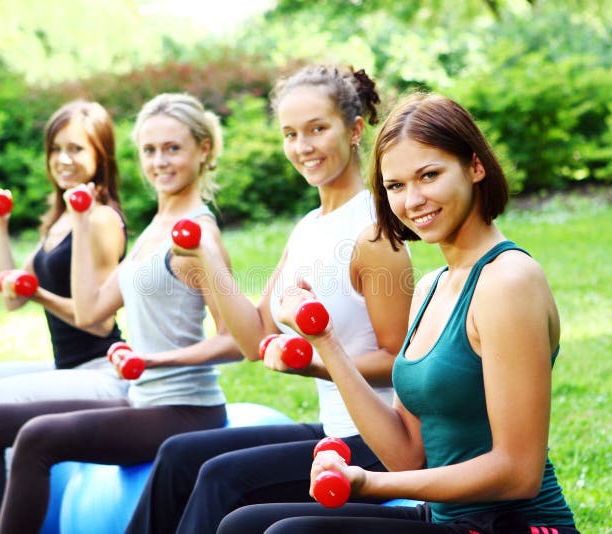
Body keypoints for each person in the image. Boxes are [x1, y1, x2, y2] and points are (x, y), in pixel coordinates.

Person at [218, 92, 580, 533]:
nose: (413, 201)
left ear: (475, 167)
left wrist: (370, 485)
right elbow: (406, 453)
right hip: (450, 520)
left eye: (429, 175)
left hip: (513, 523)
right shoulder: (432, 287)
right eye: (395, 186)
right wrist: (325, 342)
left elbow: (517, 473)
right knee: (243, 524)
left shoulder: (508, 281)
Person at [125, 65, 415, 534]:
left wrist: (319, 365)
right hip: (332, 429)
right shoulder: (308, 228)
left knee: (221, 478)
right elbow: (254, 337)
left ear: (355, 130)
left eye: (318, 129)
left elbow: (400, 360)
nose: (303, 147)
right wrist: (206, 260)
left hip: (375, 441)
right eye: (290, 134)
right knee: (180, 455)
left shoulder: (373, 232)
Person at [0, 93, 242, 534]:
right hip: (142, 398)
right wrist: (82, 222)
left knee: (36, 438)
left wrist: (157, 360)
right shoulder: (153, 231)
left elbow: (236, 341)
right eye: (149, 150)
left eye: (172, 148)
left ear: (203, 150)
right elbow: (91, 313)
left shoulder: (198, 234)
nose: (159, 162)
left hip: (185, 409)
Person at [0, 100, 129, 534]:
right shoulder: (59, 219)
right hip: (67, 367)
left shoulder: (102, 220)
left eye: (76, 149)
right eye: (55, 149)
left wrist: (41, 297)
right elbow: (12, 295)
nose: (63, 160)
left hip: (106, 371)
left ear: (100, 158)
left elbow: (99, 322)